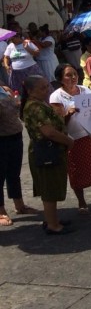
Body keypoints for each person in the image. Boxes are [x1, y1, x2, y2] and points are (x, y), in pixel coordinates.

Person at [50, 63, 91, 214]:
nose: (73, 77)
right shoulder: (56, 96)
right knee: (76, 170)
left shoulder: (85, 90)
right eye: (68, 75)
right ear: (60, 79)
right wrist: (69, 113)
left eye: (74, 74)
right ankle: (82, 202)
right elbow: (58, 123)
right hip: (73, 138)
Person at [21, 75, 74, 234]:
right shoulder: (34, 107)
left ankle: (53, 219)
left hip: (51, 150)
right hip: (46, 151)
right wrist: (68, 141)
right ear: (30, 91)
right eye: (42, 88)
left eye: (46, 86)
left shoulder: (40, 103)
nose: (46, 90)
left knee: (53, 186)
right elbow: (48, 132)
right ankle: (52, 225)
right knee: (49, 189)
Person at [0, 84, 37, 225]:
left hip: (15, 135)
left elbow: (16, 110)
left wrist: (17, 102)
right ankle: (1, 211)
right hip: (1, 139)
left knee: (14, 173)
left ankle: (19, 205)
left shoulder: (4, 90)